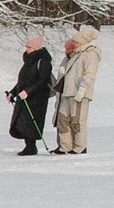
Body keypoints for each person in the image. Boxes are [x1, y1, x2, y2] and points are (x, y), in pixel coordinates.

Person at [53, 26, 101, 155]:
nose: (73, 42)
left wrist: (82, 89)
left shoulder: (90, 54)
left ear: (81, 42)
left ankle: (80, 147)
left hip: (79, 93)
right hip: (67, 92)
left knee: (77, 121)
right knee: (62, 119)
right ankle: (65, 146)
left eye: (75, 40)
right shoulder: (76, 55)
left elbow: (89, 74)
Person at [6, 35, 53, 156]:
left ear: (36, 48)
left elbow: (43, 80)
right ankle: (28, 145)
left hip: (37, 98)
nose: (27, 49)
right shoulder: (28, 61)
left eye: (29, 47)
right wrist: (13, 92)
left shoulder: (43, 61)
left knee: (32, 121)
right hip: (24, 96)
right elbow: (22, 81)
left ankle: (31, 146)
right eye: (27, 47)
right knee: (23, 121)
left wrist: (29, 91)